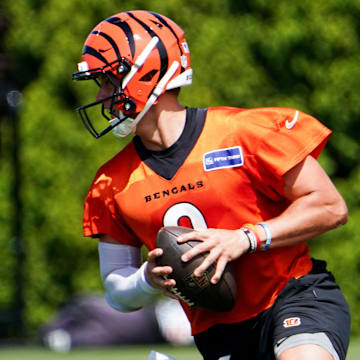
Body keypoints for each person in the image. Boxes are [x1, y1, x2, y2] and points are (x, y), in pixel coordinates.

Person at [72, 10, 351, 360]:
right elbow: (116, 287)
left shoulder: (243, 133)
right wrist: (147, 279)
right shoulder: (111, 183)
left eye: (108, 82)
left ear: (145, 74)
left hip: (293, 295)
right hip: (219, 330)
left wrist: (245, 238)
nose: (100, 96)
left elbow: (329, 206)